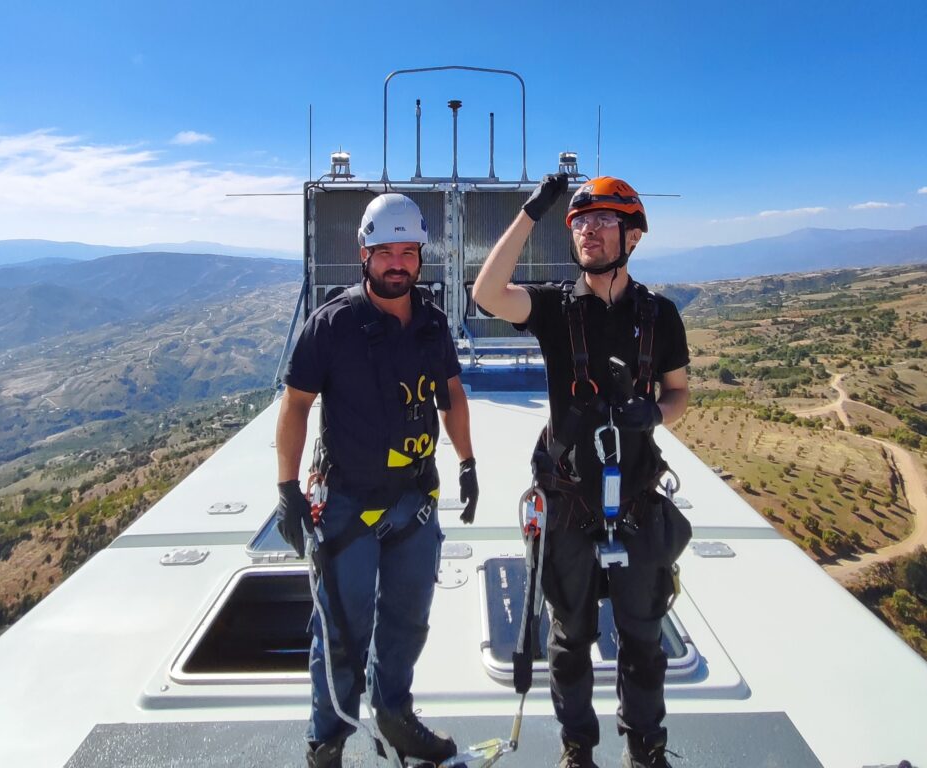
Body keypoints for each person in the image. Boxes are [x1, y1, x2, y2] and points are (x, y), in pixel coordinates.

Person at [472, 175, 691, 768]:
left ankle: (646, 749)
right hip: (568, 499)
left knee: (644, 642)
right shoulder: (552, 308)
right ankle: (578, 751)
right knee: (570, 643)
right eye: (579, 222)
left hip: (639, 501)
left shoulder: (659, 315)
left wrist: (656, 414)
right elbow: (487, 293)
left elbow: (678, 394)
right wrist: (531, 212)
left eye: (601, 221)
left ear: (633, 235)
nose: (587, 231)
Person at [274, 193, 479, 768]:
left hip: (414, 500)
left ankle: (394, 715)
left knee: (407, 623)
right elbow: (295, 407)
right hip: (347, 505)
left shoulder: (433, 324)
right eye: (384, 251)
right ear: (363, 254)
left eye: (406, 252)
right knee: (341, 632)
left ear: (421, 258)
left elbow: (452, 396)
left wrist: (466, 462)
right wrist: (288, 492)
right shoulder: (333, 325)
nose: (396, 263)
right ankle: (328, 742)